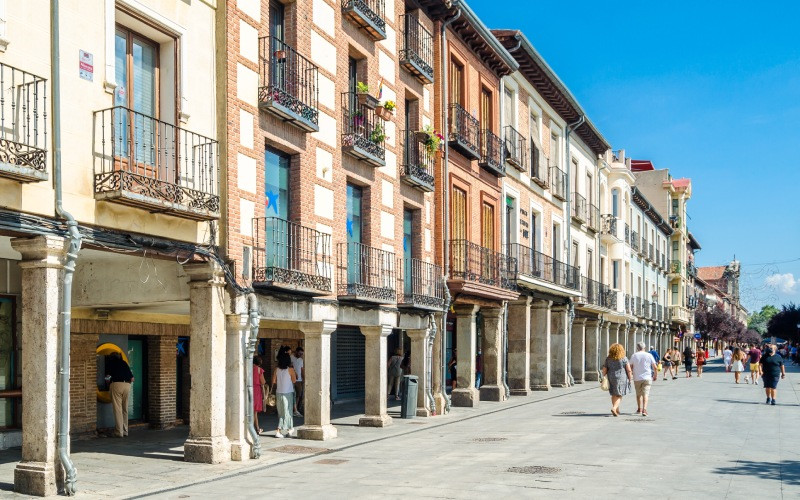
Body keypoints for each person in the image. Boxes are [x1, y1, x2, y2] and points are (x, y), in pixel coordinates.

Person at [106, 352, 134, 438]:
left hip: (117, 385)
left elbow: (107, 377)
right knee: (125, 408)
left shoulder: (111, 363)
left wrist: (108, 384)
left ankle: (119, 432)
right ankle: (125, 431)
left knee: (117, 409)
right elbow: (132, 378)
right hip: (127, 385)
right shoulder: (124, 363)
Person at [601, 343, 632, 417]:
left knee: (614, 393)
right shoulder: (624, 358)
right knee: (619, 394)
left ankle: (617, 410)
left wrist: (604, 377)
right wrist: (630, 379)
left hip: (611, 377)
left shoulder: (608, 358)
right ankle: (614, 408)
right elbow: (628, 370)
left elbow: (604, 369)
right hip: (621, 378)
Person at [271, 351, 297, 438]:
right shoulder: (290, 370)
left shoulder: (276, 369)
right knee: (287, 412)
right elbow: (294, 381)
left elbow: (273, 381)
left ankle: (290, 428)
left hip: (279, 393)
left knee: (281, 412)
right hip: (288, 393)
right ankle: (278, 430)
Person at [630, 342, 658, 417]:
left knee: (638, 394)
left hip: (637, 378)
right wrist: (655, 375)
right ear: (644, 348)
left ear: (637, 348)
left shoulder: (634, 355)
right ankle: (644, 410)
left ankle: (639, 409)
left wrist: (630, 375)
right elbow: (655, 367)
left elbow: (630, 367)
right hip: (647, 377)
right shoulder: (649, 355)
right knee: (646, 394)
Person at [253, 356, 266, 434]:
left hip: (249, 389)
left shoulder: (248, 369)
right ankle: (257, 428)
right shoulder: (259, 370)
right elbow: (263, 382)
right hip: (256, 390)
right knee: (254, 411)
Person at [291, 347, 304, 417]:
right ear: (296, 352)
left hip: (299, 380)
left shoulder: (301, 360)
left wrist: (303, 378)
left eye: (301, 354)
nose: (300, 355)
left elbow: (302, 369)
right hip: (292, 380)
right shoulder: (291, 357)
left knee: (299, 395)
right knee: (292, 394)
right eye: (299, 353)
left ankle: (295, 410)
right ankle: (293, 409)